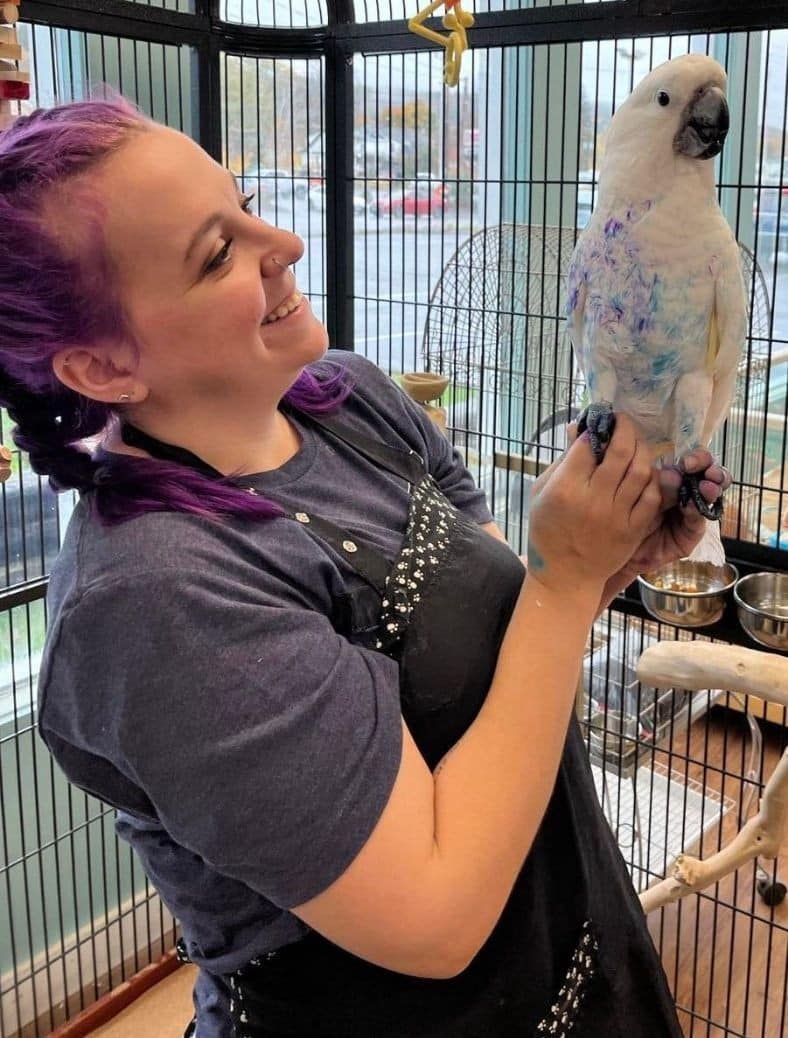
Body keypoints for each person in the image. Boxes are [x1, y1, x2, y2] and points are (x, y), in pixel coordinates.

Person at [0, 97, 731, 1038]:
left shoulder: (350, 400)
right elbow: (435, 919)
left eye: (246, 204)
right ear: (103, 369)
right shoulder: (153, 597)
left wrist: (597, 563)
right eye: (218, 255)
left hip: (574, 946)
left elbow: (499, 646)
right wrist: (561, 585)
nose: (286, 243)